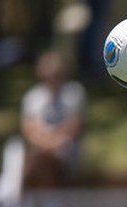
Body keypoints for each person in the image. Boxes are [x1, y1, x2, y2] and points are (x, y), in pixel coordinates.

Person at [20, 51, 86, 188]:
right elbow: (29, 129)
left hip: (66, 149)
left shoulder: (74, 93)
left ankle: (48, 202)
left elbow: (73, 126)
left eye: (55, 75)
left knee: (43, 160)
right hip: (39, 148)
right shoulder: (32, 97)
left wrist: (50, 143)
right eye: (47, 76)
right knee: (39, 159)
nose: (51, 79)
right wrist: (45, 144)